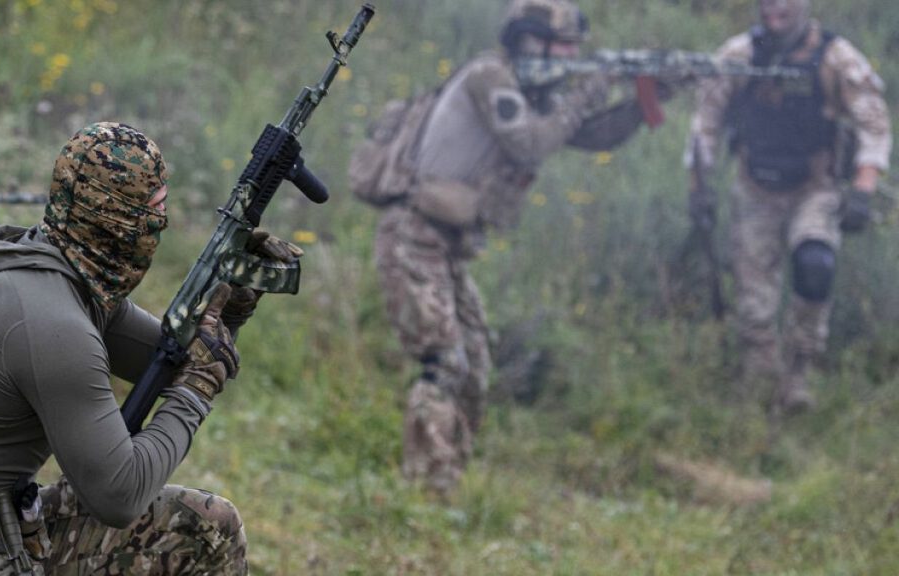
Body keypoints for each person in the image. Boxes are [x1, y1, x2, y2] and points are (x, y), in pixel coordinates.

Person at [0, 122, 301, 574]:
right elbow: (120, 496)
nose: (163, 221)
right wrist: (197, 390)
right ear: (117, 221)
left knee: (204, 529)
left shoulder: (60, 271)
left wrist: (229, 306)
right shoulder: (52, 321)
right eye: (154, 208)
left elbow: (171, 361)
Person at [366, 0, 666, 495]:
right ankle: (426, 490)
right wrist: (587, 93)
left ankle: (446, 481)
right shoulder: (491, 76)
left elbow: (590, 137)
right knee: (445, 361)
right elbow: (530, 143)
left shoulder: (533, 90)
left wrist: (645, 101)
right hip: (413, 234)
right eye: (565, 45)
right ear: (530, 40)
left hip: (447, 247)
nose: (573, 54)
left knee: (476, 366)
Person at [685, 0, 892, 414]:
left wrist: (863, 189)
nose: (773, 10)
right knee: (754, 303)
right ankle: (760, 387)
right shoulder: (738, 56)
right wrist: (698, 187)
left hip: (814, 188)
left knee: (815, 265)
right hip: (755, 188)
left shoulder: (836, 58)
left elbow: (874, 125)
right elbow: (705, 122)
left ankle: (800, 371)